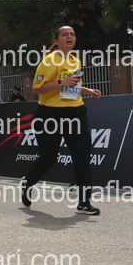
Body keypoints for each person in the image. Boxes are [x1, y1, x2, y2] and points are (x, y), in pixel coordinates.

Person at [21, 26, 102, 215]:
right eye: (65, 34)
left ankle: (84, 202)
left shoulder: (75, 61)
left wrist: (88, 91)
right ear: (57, 41)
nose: (69, 37)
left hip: (76, 113)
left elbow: (73, 86)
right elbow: (37, 89)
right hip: (50, 114)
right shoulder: (49, 61)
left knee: (82, 156)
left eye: (72, 34)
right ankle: (28, 182)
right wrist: (59, 82)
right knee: (48, 157)